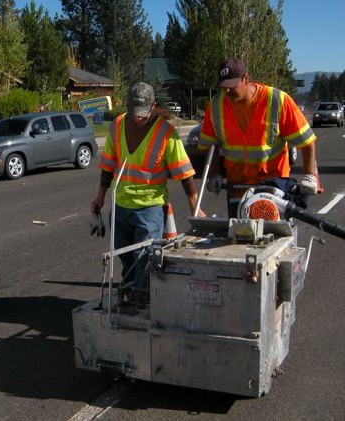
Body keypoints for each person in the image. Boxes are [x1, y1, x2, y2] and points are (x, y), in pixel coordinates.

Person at [90, 82, 205, 307]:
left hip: (150, 207)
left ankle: (142, 303)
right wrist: (100, 197)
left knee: (144, 258)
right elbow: (107, 165)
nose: (137, 118)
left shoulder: (165, 132)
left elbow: (184, 173)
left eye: (142, 114)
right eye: (134, 113)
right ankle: (131, 294)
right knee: (126, 257)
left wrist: (194, 204)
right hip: (121, 204)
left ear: (153, 106)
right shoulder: (117, 125)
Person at [199, 58, 318, 217]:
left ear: (246, 78)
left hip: (272, 190)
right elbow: (210, 145)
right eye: (223, 87)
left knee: (272, 238)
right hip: (238, 190)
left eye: (231, 86)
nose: (227, 92)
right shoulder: (215, 106)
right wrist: (214, 174)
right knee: (238, 236)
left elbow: (306, 141)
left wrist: (309, 175)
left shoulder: (277, 100)